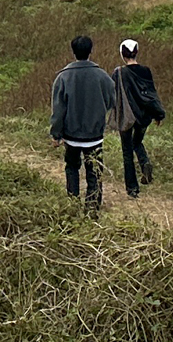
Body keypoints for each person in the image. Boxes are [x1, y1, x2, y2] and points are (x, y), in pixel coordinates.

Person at [48, 33, 117, 214]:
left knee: (72, 168)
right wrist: (99, 113)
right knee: (94, 173)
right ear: (90, 51)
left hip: (71, 136)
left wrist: (56, 134)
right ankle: (92, 210)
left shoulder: (63, 77)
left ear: (73, 52)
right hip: (95, 136)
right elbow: (111, 100)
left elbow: (58, 110)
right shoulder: (102, 76)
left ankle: (72, 206)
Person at [109, 37, 166, 196]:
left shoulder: (119, 73)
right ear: (137, 52)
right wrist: (158, 114)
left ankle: (132, 189)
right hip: (143, 117)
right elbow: (151, 94)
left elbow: (112, 94)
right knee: (137, 142)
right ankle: (145, 162)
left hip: (126, 116)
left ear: (122, 54)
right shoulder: (146, 71)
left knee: (127, 151)